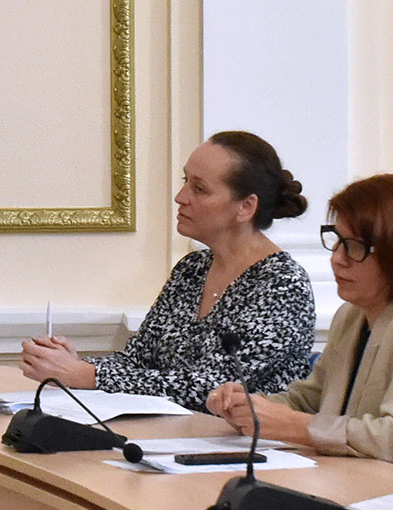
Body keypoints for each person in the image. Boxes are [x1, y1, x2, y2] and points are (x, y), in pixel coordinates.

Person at [204, 174, 393, 467]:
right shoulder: (352, 315)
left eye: (354, 246)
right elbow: (308, 402)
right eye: (337, 240)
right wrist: (245, 407)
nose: (338, 258)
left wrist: (293, 425)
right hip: (362, 479)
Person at [19, 131, 315, 410]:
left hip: (243, 443)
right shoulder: (192, 270)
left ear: (246, 207)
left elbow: (212, 388)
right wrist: (74, 365)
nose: (180, 197)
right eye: (185, 181)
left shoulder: (283, 285)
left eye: (199, 189)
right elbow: (138, 360)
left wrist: (88, 376)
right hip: (169, 434)